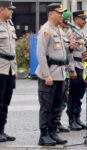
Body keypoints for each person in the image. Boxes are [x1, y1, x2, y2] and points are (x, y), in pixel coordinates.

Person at [35, 3, 75, 146]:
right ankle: (44, 135)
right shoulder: (45, 30)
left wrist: (70, 47)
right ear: (51, 13)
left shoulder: (58, 29)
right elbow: (40, 54)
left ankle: (53, 132)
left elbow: (62, 51)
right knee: (47, 106)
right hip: (50, 74)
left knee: (57, 105)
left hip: (60, 74)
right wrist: (46, 75)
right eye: (59, 13)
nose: (61, 16)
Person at [66, 10, 87, 131]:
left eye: (85, 18)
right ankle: (72, 120)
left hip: (84, 65)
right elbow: (69, 53)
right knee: (73, 95)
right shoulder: (71, 33)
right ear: (76, 20)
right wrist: (71, 69)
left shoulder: (82, 33)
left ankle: (77, 118)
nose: (85, 21)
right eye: (83, 18)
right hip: (76, 65)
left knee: (80, 95)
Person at [0, 0, 17, 142]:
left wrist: (15, 67)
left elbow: (13, 49)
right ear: (1, 10)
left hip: (10, 68)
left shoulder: (10, 25)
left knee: (6, 101)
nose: (12, 11)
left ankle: (2, 130)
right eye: (9, 9)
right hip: (0, 68)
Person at [56, 10, 72, 133]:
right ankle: (54, 122)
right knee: (57, 98)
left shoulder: (66, 33)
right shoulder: (58, 32)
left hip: (65, 70)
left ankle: (58, 120)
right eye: (67, 19)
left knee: (64, 97)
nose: (69, 22)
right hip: (57, 70)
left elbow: (68, 53)